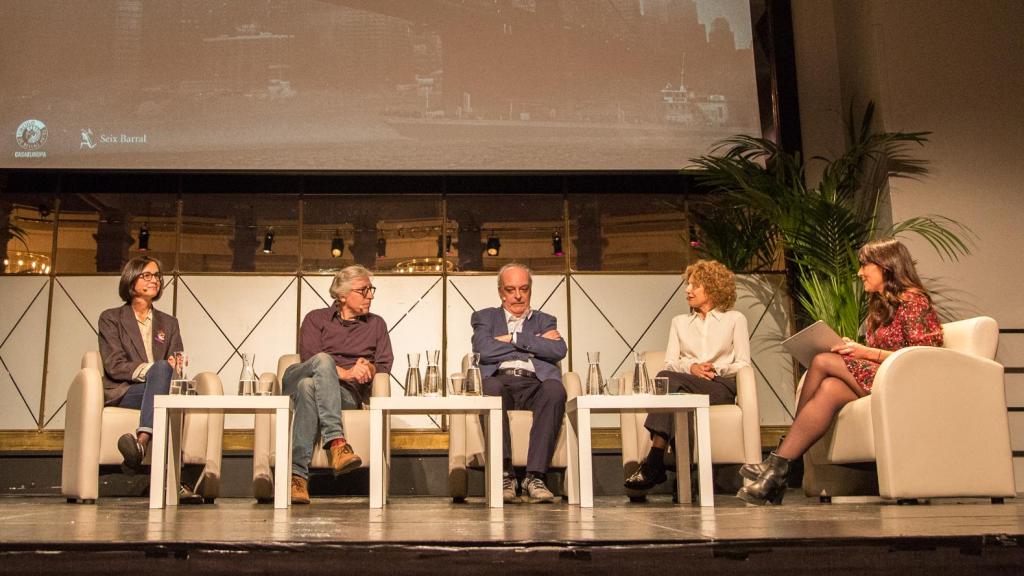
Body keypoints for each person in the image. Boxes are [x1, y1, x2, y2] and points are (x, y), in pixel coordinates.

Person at [737, 238, 944, 505]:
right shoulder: (880, 305)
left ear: (886, 266)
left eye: (865, 265)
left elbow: (923, 355)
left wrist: (867, 353)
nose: (860, 273)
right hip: (882, 378)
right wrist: (855, 348)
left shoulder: (915, 301)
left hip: (903, 381)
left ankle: (781, 459)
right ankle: (778, 476)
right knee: (829, 390)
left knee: (823, 360)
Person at [624, 259, 751, 491]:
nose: (687, 290)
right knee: (672, 391)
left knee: (669, 385)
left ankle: (654, 462)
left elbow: (743, 363)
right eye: (688, 285)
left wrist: (715, 368)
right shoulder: (680, 323)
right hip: (686, 384)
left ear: (712, 288)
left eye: (694, 285)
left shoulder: (735, 319)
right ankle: (686, 482)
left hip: (718, 385)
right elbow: (671, 363)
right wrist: (692, 367)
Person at [285, 265, 393, 504]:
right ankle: (337, 444)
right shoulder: (316, 318)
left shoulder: (376, 324)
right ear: (342, 295)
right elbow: (310, 359)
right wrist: (347, 372)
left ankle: (298, 478)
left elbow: (384, 365)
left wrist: (368, 368)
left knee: (307, 388)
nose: (371, 295)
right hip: (302, 376)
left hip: (343, 395)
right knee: (320, 362)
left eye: (371, 289)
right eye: (364, 290)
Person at [99, 256, 201, 503]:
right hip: (126, 391)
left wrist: (169, 369)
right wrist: (155, 370)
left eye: (156, 276)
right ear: (130, 279)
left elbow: (176, 361)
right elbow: (114, 365)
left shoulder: (169, 322)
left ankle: (141, 444)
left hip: (161, 390)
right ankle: (174, 481)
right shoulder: (111, 318)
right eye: (147, 275)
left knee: (166, 379)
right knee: (161, 372)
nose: (154, 280)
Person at [472, 263, 567, 503]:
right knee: (491, 388)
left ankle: (534, 477)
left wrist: (514, 338)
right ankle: (505, 475)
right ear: (501, 292)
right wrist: (533, 345)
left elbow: (558, 349)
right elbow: (483, 349)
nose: (517, 295)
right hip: (501, 381)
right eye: (511, 289)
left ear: (530, 290)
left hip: (535, 383)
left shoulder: (545, 320)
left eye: (523, 289)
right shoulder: (484, 317)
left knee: (555, 389)